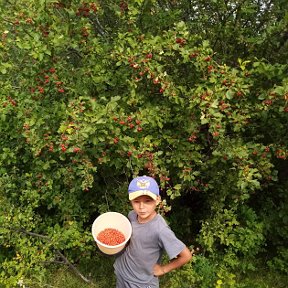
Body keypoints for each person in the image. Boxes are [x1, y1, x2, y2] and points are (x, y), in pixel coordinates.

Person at [114, 175, 192, 288]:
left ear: (157, 200)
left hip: (141, 283)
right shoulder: (132, 215)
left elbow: (186, 256)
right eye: (136, 201)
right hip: (123, 273)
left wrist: (163, 269)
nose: (141, 207)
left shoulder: (160, 230)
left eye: (147, 201)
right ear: (130, 201)